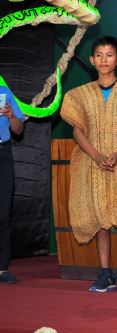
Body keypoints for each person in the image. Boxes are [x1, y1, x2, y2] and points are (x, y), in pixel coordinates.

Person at [60, 36, 117, 293]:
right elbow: (78, 131)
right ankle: (105, 273)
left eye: (109, 55)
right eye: (99, 55)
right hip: (94, 163)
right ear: (91, 60)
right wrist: (98, 156)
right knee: (100, 216)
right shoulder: (78, 95)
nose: (104, 59)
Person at [0, 86, 25, 284]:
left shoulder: (4, 92)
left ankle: (2, 268)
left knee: (2, 213)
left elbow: (18, 130)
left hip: (3, 153)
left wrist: (10, 115)